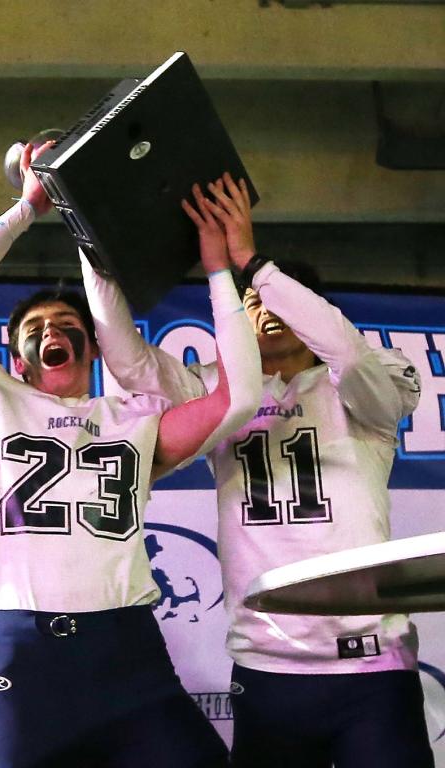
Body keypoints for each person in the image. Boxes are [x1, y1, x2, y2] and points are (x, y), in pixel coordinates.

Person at [0, 143, 262, 768]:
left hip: (128, 649)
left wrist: (220, 270)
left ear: (94, 349)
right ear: (16, 355)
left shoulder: (131, 418)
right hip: (30, 655)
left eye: (65, 322)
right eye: (37, 327)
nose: (52, 330)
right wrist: (28, 207)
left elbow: (238, 398)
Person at [94, 173, 432, 768]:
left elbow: (348, 354)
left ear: (312, 310)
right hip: (267, 668)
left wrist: (253, 264)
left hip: (371, 666)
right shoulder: (222, 393)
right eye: (253, 303)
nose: (266, 309)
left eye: (279, 298)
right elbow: (131, 365)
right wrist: (95, 256)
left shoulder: (366, 382)